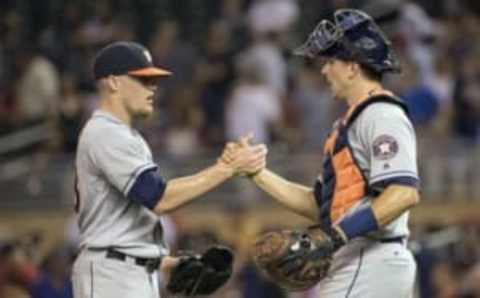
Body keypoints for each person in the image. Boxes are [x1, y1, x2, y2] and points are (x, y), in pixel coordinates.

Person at [227, 9, 420, 298]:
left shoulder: (381, 115)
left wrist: (335, 237)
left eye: (331, 61)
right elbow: (320, 206)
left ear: (353, 67)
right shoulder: (352, 121)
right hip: (360, 260)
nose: (324, 69)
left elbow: (403, 193)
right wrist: (257, 173)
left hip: (369, 258)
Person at [71, 41, 267, 298]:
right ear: (114, 83)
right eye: (142, 80)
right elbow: (160, 198)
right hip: (113, 275)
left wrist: (168, 263)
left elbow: (123, 223)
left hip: (126, 271)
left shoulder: (123, 135)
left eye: (153, 80)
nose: (152, 87)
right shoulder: (106, 133)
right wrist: (227, 168)